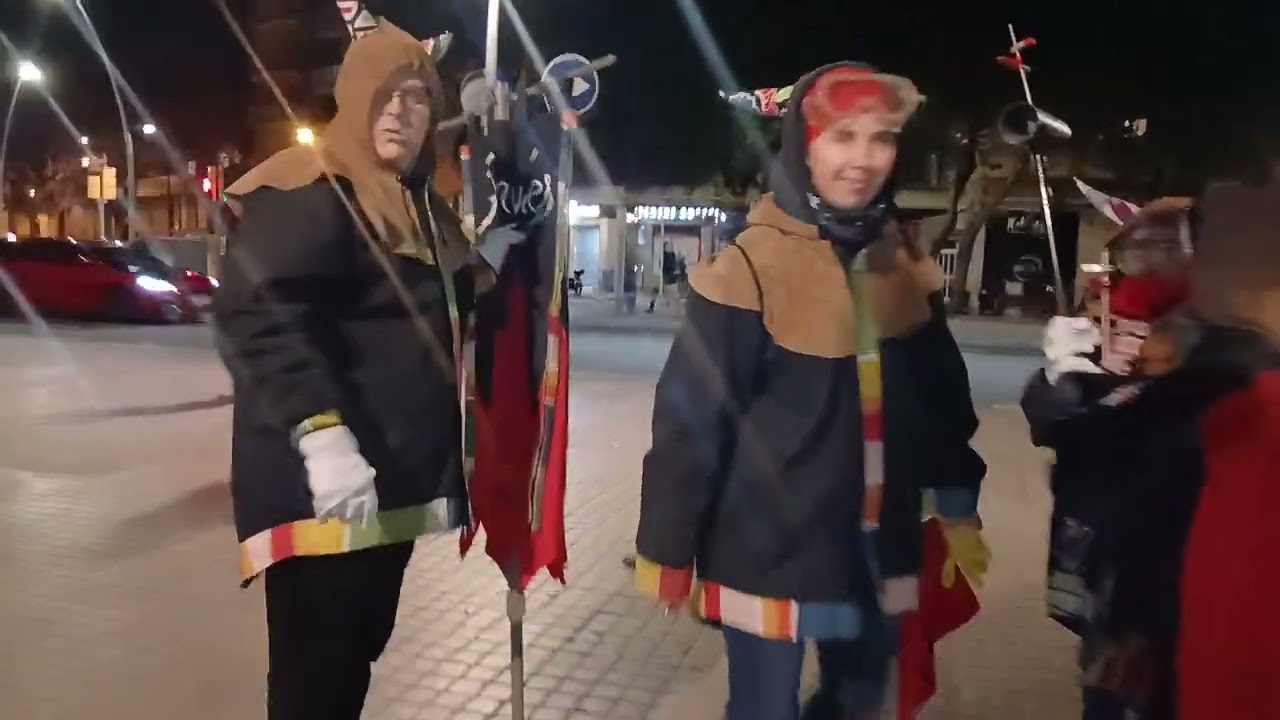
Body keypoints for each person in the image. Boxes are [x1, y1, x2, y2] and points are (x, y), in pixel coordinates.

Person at [631, 63, 989, 720]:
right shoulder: (749, 267)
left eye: (880, 139)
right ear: (805, 143)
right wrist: (667, 546)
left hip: (880, 550)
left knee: (862, 705)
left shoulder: (903, 264)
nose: (862, 159)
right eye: (842, 137)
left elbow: (941, 402)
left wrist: (959, 497)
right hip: (768, 552)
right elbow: (690, 422)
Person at [213, 22, 529, 719]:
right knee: (314, 684)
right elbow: (261, 315)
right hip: (330, 491)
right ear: (353, 100)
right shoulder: (313, 189)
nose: (399, 110)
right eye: (383, 95)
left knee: (347, 666)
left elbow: (424, 298)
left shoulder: (414, 204)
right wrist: (321, 434)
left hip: (388, 494)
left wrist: (499, 253)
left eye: (417, 96)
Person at [1021, 175, 1280, 719]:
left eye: (1169, 243)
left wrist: (1109, 393)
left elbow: (1142, 435)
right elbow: (1065, 429)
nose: (1151, 256)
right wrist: (1062, 382)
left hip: (1179, 602)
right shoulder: (1120, 313)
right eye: (1143, 243)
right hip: (1111, 584)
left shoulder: (1231, 347)